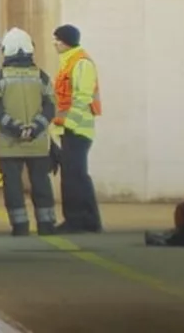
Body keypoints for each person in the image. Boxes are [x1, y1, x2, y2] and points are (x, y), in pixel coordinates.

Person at [0, 28, 58, 236]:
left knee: (13, 186)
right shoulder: (40, 76)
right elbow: (51, 105)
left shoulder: (1, 78)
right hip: (37, 142)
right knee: (41, 182)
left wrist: (14, 127)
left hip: (10, 143)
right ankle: (46, 225)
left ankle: (20, 226)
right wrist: (35, 127)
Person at [51, 24, 103, 233]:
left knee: (73, 177)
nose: (55, 43)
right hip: (71, 129)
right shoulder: (70, 62)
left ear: (67, 42)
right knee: (78, 175)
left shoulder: (81, 63)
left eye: (58, 40)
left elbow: (82, 97)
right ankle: (90, 221)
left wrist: (70, 125)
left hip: (77, 130)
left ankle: (75, 220)